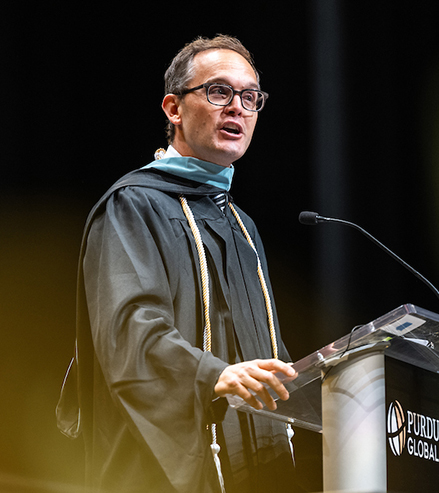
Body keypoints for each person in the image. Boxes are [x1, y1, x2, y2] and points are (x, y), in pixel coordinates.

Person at [57, 35, 299, 493]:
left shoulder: (242, 226)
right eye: (219, 92)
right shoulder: (132, 206)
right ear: (173, 108)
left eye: (250, 97)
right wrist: (215, 374)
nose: (237, 108)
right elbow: (130, 332)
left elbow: (270, 356)